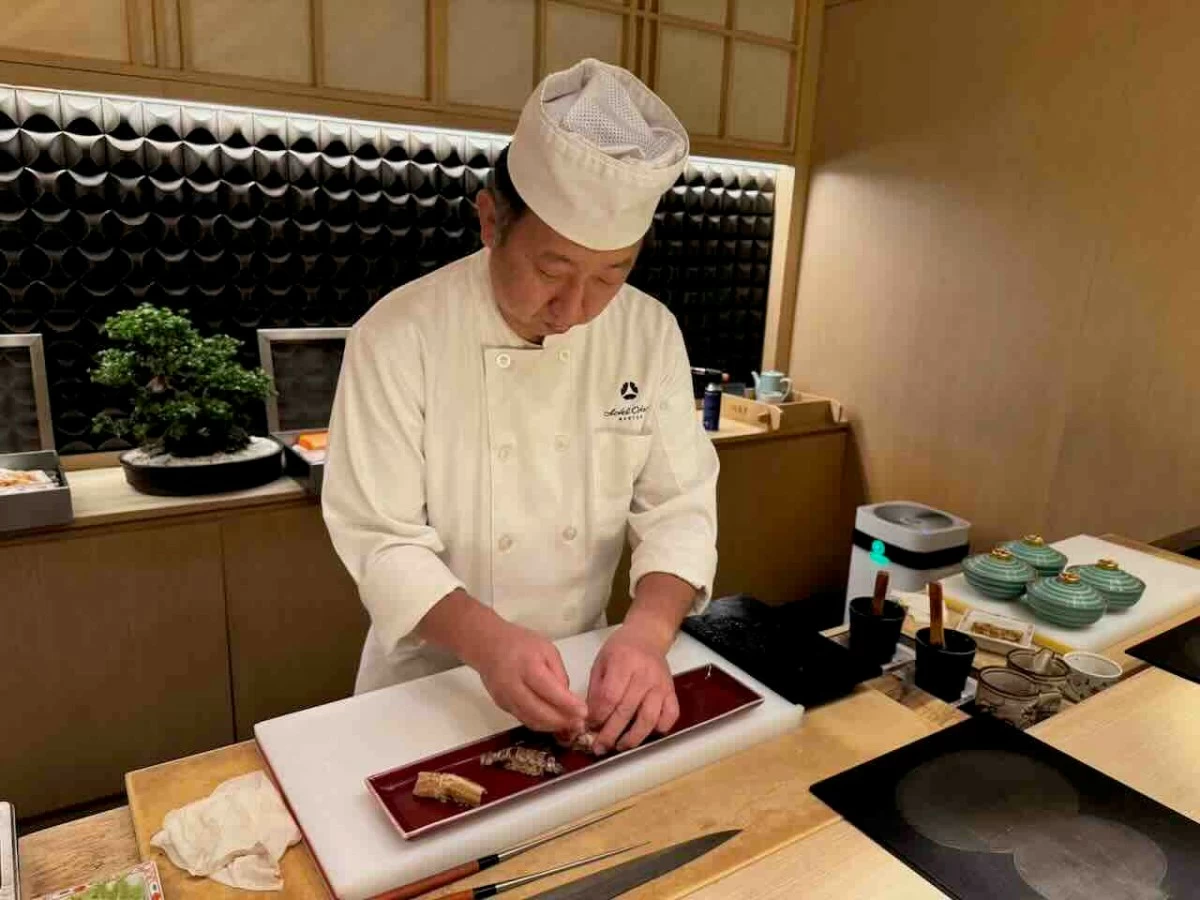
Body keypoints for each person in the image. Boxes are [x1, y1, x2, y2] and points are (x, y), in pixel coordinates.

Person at [322, 58, 719, 755]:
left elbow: (678, 506)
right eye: (551, 270)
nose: (575, 311)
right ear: (488, 221)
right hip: (428, 691)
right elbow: (379, 536)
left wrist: (646, 634)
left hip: (589, 679)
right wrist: (486, 640)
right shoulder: (397, 334)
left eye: (611, 275)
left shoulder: (648, 330)